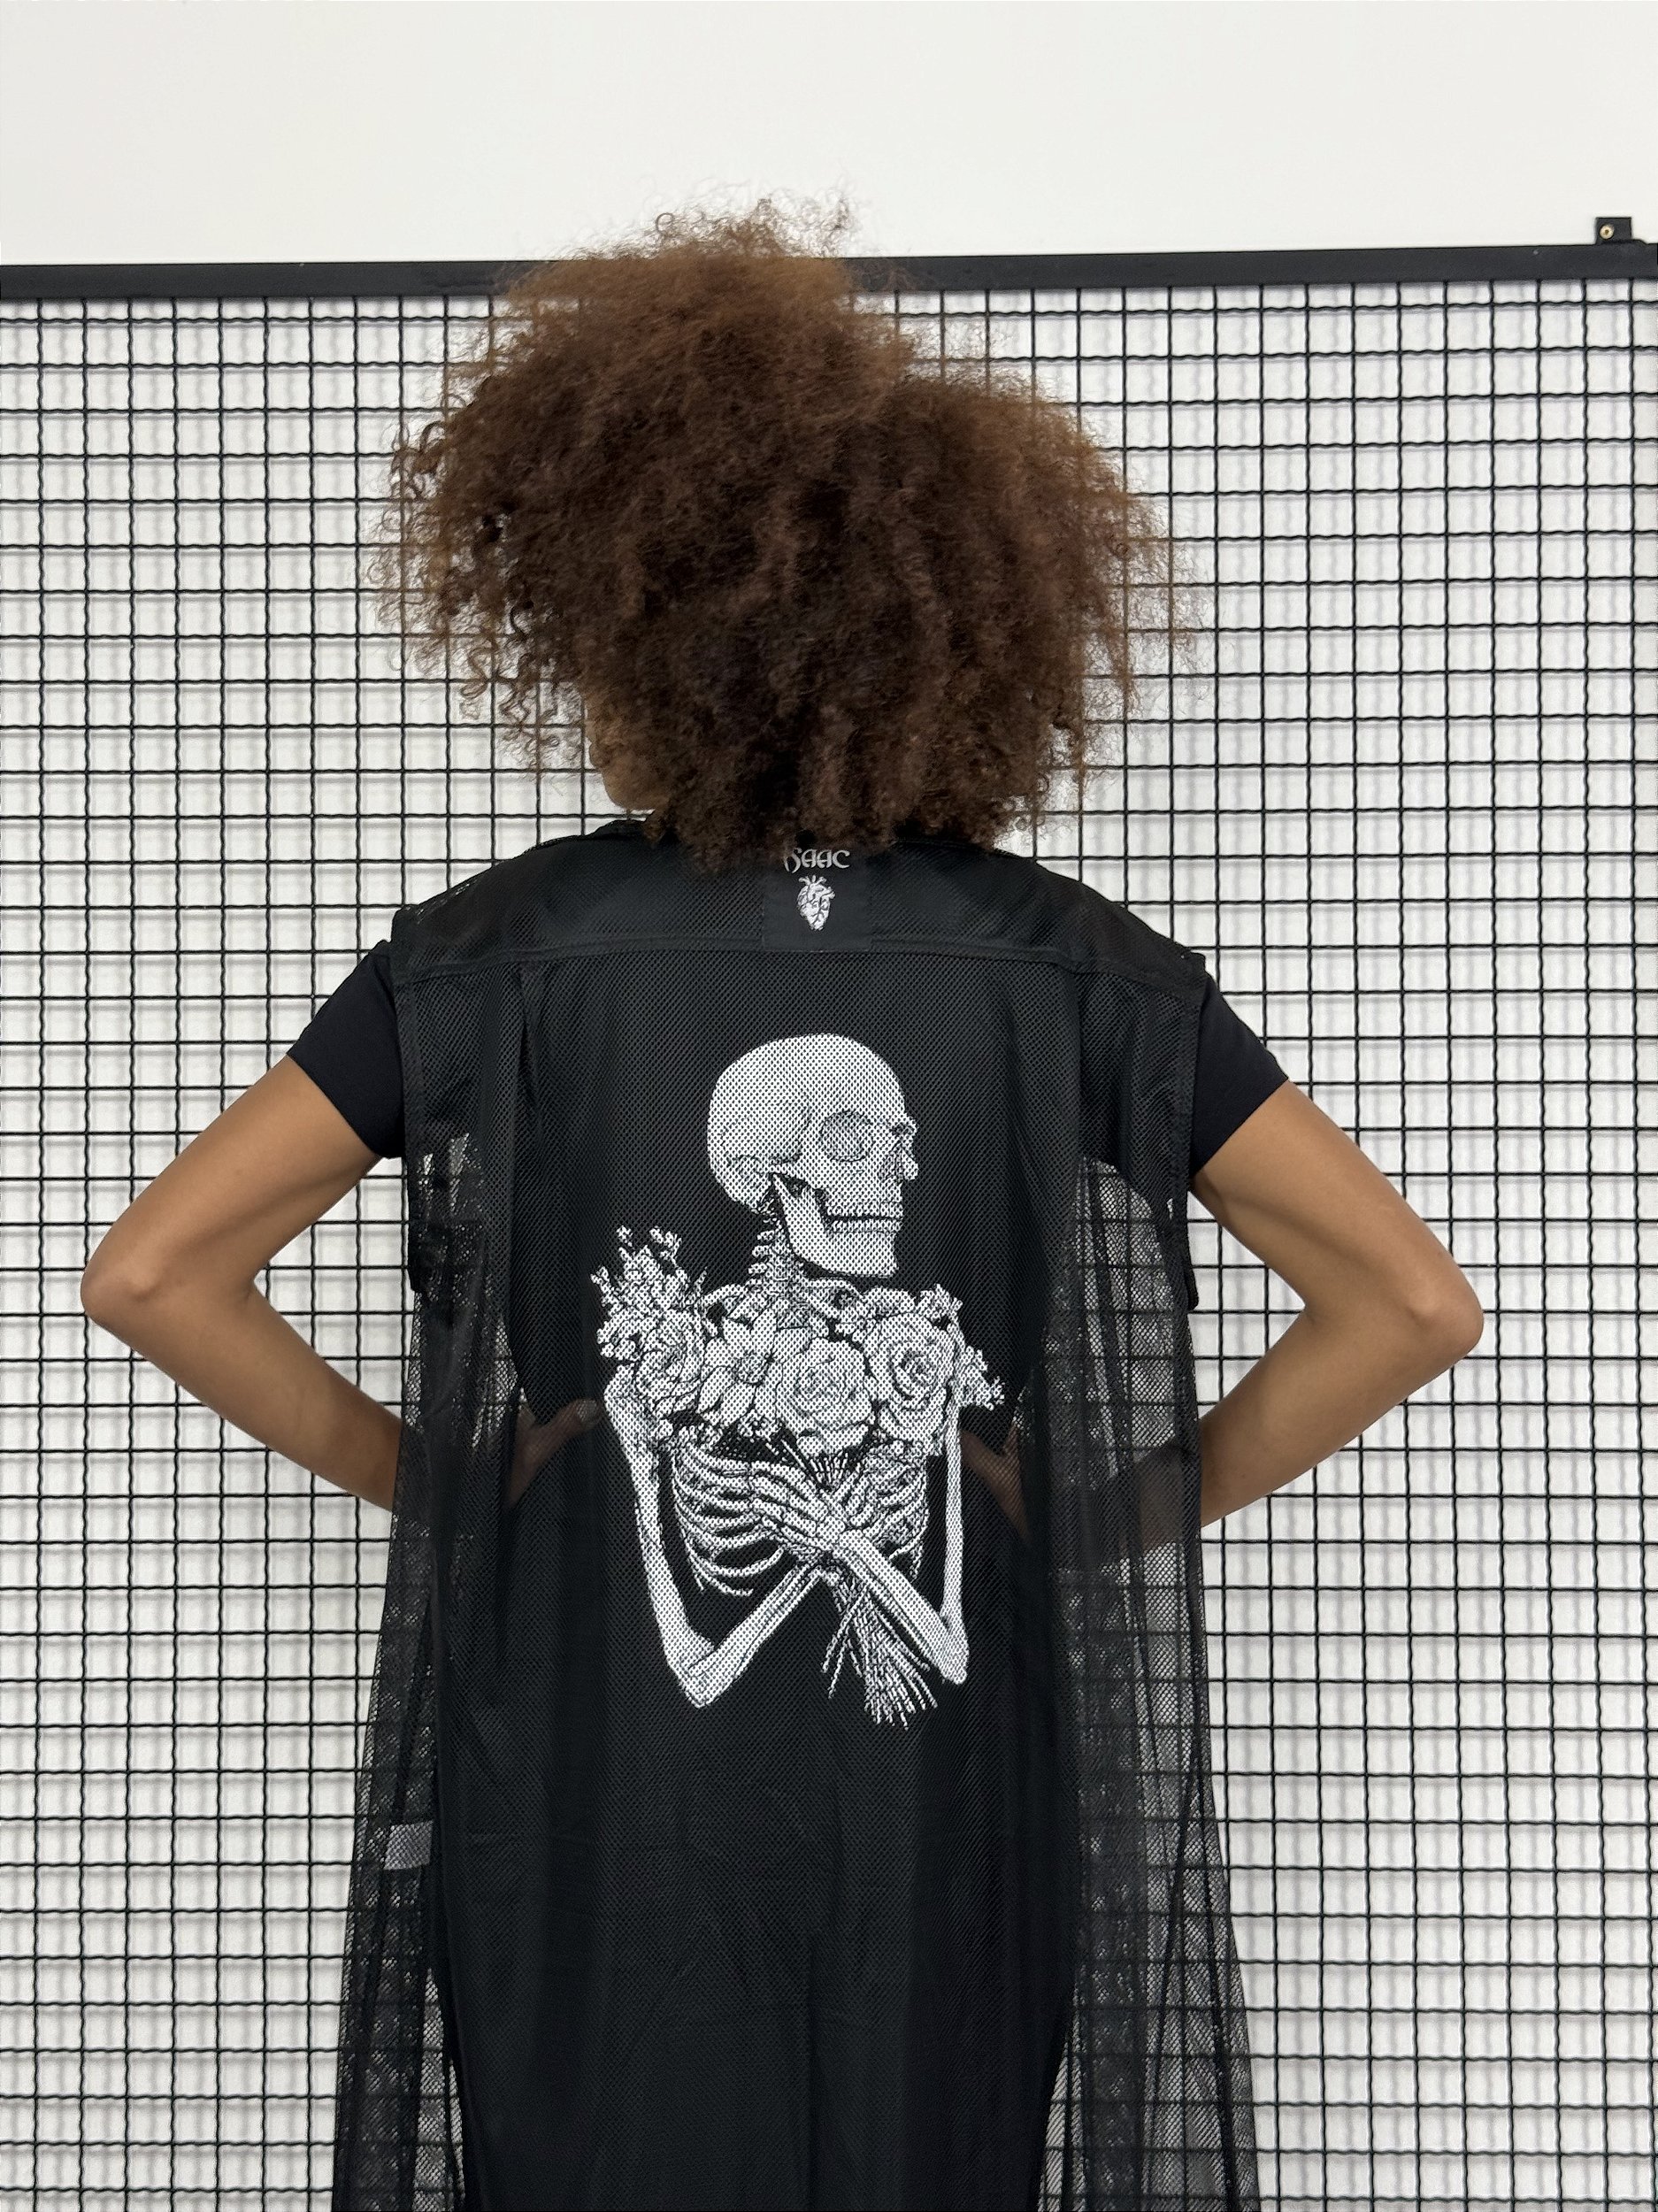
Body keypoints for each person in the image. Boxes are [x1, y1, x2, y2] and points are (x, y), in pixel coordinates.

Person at [79, 198, 1483, 2212]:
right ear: (954, 631)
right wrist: (1100, 1512)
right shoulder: (1074, 967)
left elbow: (156, 1271)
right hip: (952, 1830)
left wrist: (462, 1478)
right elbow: (1409, 1305)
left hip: (593, 1814)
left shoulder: (493, 955)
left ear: (623, 615)